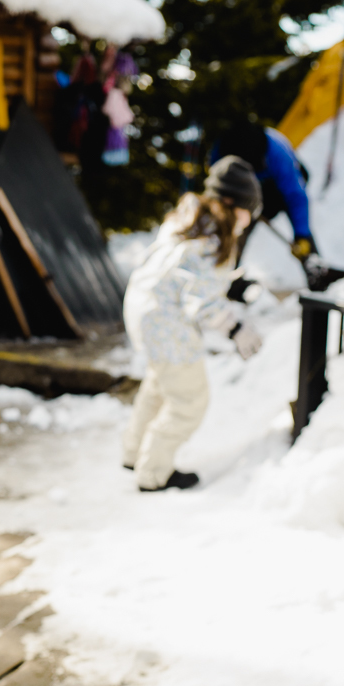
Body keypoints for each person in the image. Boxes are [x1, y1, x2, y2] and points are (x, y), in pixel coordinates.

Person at [121, 156, 264, 492]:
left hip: (144, 310)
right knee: (190, 399)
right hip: (168, 323)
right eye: (249, 211)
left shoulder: (187, 219)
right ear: (233, 204)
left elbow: (184, 275)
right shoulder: (214, 238)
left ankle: (133, 452)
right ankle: (153, 473)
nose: (249, 221)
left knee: (159, 384)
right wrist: (236, 328)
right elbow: (200, 301)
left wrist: (228, 283)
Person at [211, 122, 343, 290]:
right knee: (235, 232)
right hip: (245, 194)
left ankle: (315, 270)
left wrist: (301, 234)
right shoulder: (222, 151)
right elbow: (216, 187)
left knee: (303, 238)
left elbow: (296, 196)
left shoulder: (276, 152)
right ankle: (228, 278)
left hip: (276, 189)